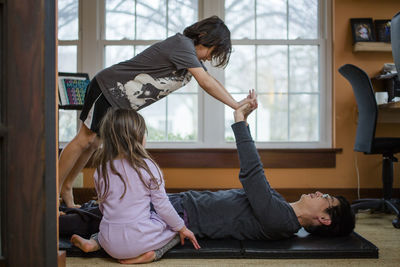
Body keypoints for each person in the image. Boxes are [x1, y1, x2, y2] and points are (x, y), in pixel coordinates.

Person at [67, 93, 355, 257]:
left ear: (325, 218)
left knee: (108, 212)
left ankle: (56, 223)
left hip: (184, 214)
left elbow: (253, 175)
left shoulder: (282, 220)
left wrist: (240, 122)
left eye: (326, 198)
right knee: (110, 206)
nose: (320, 192)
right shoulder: (281, 209)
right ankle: (73, 219)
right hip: (184, 204)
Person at [59, 15, 252, 208]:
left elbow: (212, 82)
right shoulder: (182, 45)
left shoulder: (191, 60)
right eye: (212, 50)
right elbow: (206, 83)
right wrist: (235, 105)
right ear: (203, 35)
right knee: (84, 139)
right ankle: (51, 195)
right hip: (108, 88)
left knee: (93, 144)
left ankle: (66, 189)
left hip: (120, 101)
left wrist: (238, 102)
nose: (210, 57)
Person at [70, 108, 200, 264]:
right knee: (176, 230)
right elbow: (163, 206)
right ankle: (152, 254)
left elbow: (104, 209)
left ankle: (93, 243)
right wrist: (182, 228)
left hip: (110, 243)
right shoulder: (148, 167)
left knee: (108, 225)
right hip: (139, 241)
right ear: (138, 137)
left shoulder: (101, 170)